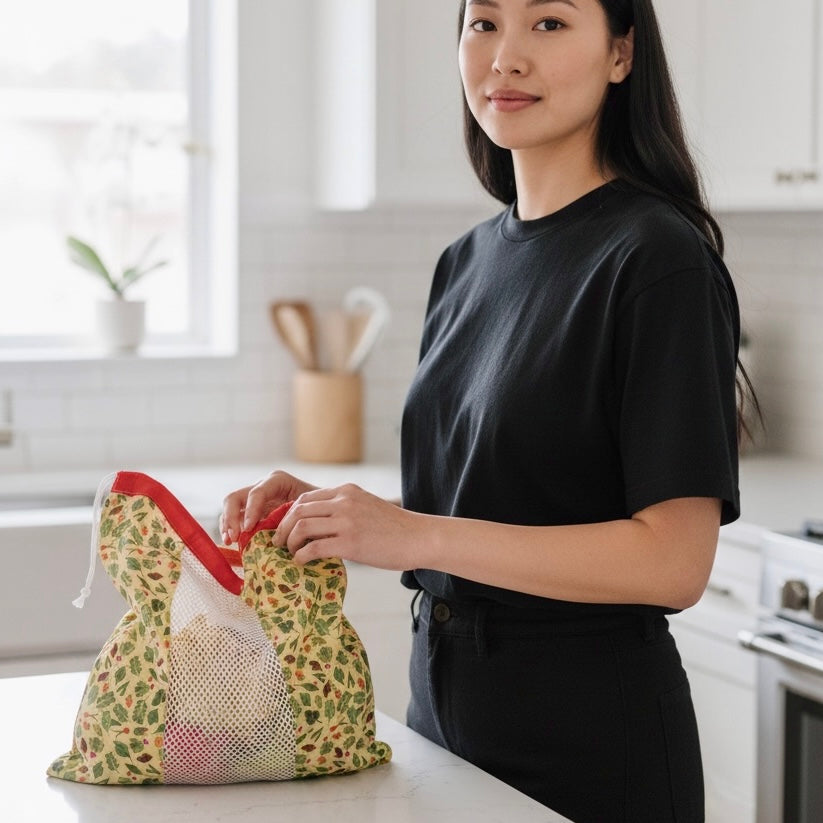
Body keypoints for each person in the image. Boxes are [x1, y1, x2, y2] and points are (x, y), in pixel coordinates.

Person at [222, 1, 759, 820]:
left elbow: (672, 563)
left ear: (620, 54)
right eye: (483, 23)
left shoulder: (656, 259)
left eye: (548, 23)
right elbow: (494, 509)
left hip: (587, 744)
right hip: (443, 713)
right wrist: (343, 518)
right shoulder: (465, 263)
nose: (504, 57)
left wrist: (412, 534)